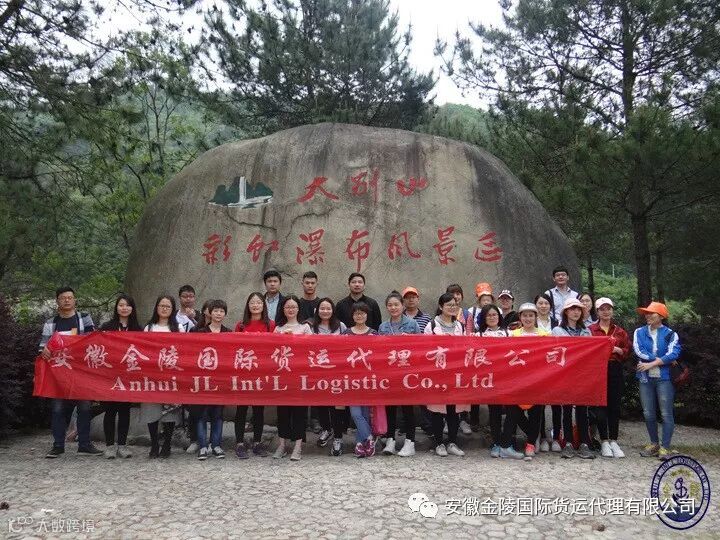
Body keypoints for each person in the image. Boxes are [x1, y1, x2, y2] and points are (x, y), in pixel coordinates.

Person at [41, 287, 101, 458]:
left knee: (85, 407)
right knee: (58, 409)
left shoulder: (84, 318)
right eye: (63, 298)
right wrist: (44, 349)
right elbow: (42, 347)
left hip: (81, 371)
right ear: (57, 301)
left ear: (75, 300)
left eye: (70, 297)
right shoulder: (50, 323)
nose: (67, 300)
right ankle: (58, 445)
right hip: (58, 373)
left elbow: (92, 340)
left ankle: (84, 444)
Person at [633, 302, 681, 460]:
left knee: (666, 413)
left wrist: (651, 364)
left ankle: (665, 447)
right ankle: (654, 444)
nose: (647, 316)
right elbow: (638, 350)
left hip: (665, 378)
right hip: (645, 378)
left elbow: (674, 353)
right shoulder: (639, 332)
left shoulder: (671, 334)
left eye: (651, 313)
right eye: (646, 313)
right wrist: (662, 359)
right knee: (648, 412)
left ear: (661, 316)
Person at [477, 305, 524, 460]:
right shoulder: (478, 335)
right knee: (494, 411)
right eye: (489, 315)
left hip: (508, 378)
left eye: (495, 314)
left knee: (513, 409)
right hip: (489, 379)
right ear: (484, 318)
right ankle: (496, 443)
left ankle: (506, 443)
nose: (492, 317)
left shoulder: (509, 333)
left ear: (499, 316)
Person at [141, 295, 184, 458]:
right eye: (161, 305)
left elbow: (183, 349)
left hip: (171, 375)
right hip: (152, 375)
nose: (164, 309)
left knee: (170, 412)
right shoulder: (149, 327)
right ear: (156, 307)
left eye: (168, 306)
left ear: (172, 309)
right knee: (151, 410)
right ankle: (154, 444)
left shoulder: (178, 328)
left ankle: (167, 443)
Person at [424, 293, 467, 457]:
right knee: (437, 410)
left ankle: (452, 442)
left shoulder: (460, 326)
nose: (452, 307)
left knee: (453, 410)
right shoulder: (432, 325)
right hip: (437, 373)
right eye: (448, 305)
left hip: (456, 373)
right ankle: (439, 443)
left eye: (454, 305)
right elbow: (426, 349)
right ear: (441, 306)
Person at [551, 298, 595, 459]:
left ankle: (584, 442)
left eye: (578, 309)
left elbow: (591, 352)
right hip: (565, 374)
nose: (576, 312)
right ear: (566, 312)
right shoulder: (557, 331)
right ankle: (568, 442)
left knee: (583, 409)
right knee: (567, 409)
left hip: (582, 374)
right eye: (572, 309)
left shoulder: (586, 331)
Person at [99, 294, 142, 459]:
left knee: (125, 411)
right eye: (121, 305)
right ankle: (110, 446)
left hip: (129, 375)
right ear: (116, 308)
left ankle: (122, 445)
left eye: (127, 305)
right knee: (109, 411)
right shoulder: (107, 327)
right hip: (110, 375)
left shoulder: (138, 328)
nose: (124, 308)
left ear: (132, 308)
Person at [378, 291, 420, 457]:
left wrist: (409, 340)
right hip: (389, 373)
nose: (393, 308)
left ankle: (410, 442)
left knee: (407, 408)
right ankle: (390, 440)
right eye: (390, 305)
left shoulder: (412, 324)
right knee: (390, 408)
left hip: (407, 373)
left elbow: (421, 348)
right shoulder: (383, 327)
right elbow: (379, 351)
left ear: (402, 306)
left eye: (396, 304)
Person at [234, 292, 274, 459]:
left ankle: (257, 442)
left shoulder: (270, 325)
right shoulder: (241, 325)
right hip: (243, 373)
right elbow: (234, 348)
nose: (255, 305)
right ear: (248, 305)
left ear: (263, 305)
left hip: (261, 373)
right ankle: (239, 443)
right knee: (241, 409)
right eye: (252, 302)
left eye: (259, 302)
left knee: (258, 410)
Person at [589, 298, 630, 458]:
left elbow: (627, 351)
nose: (606, 312)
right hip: (597, 369)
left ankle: (614, 440)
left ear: (612, 311)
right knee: (600, 405)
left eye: (608, 309)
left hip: (615, 368)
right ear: (597, 312)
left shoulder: (620, 331)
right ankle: (604, 440)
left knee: (614, 405)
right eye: (602, 309)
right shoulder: (591, 329)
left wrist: (618, 350)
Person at [273, 295, 312, 461]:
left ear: (298, 309)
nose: (290, 309)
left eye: (293, 307)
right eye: (287, 307)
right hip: (282, 376)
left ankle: (297, 446)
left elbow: (311, 348)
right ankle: (282, 445)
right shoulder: (278, 328)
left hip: (299, 376)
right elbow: (272, 350)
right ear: (283, 309)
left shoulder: (305, 327)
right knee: (282, 412)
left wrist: (295, 339)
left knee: (299, 412)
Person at [510, 303, 550, 460]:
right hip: (517, 380)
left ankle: (531, 443)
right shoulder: (512, 335)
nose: (528, 318)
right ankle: (533, 434)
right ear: (520, 318)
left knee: (536, 413)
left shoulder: (545, 335)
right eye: (525, 315)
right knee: (515, 412)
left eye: (531, 315)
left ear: (536, 317)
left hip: (537, 379)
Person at [192, 299, 231, 460]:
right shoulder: (199, 332)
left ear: (225, 314)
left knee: (217, 414)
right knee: (201, 414)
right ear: (210, 312)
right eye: (215, 311)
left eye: (221, 311)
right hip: (203, 379)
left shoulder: (229, 333)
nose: (218, 314)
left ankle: (216, 445)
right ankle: (202, 446)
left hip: (220, 380)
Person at [309, 298, 347, 455]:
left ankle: (338, 437)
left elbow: (347, 346)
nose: (325, 311)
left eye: (328, 308)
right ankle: (326, 429)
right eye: (322, 308)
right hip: (318, 371)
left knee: (337, 404)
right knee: (321, 403)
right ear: (317, 311)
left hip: (337, 371)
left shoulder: (341, 326)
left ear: (333, 310)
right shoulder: (311, 327)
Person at [342, 302, 378, 457]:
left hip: (369, 379)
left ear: (367, 315)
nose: (359, 316)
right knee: (356, 413)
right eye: (356, 313)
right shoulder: (346, 333)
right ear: (352, 315)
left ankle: (360, 443)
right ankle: (369, 438)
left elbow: (379, 356)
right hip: (351, 380)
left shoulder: (374, 333)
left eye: (362, 313)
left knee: (365, 413)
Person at [185, 299, 213, 454]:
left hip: (215, 375)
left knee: (214, 411)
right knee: (195, 409)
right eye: (210, 309)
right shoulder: (195, 329)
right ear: (204, 311)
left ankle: (213, 441)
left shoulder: (223, 330)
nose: (213, 312)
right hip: (197, 374)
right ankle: (195, 439)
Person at [535, 293, 559, 452]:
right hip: (537, 366)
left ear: (550, 306)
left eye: (546, 303)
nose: (543, 306)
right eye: (540, 303)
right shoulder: (531, 321)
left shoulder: (557, 322)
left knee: (556, 403)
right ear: (535, 305)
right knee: (540, 403)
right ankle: (542, 436)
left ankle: (556, 437)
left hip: (555, 366)